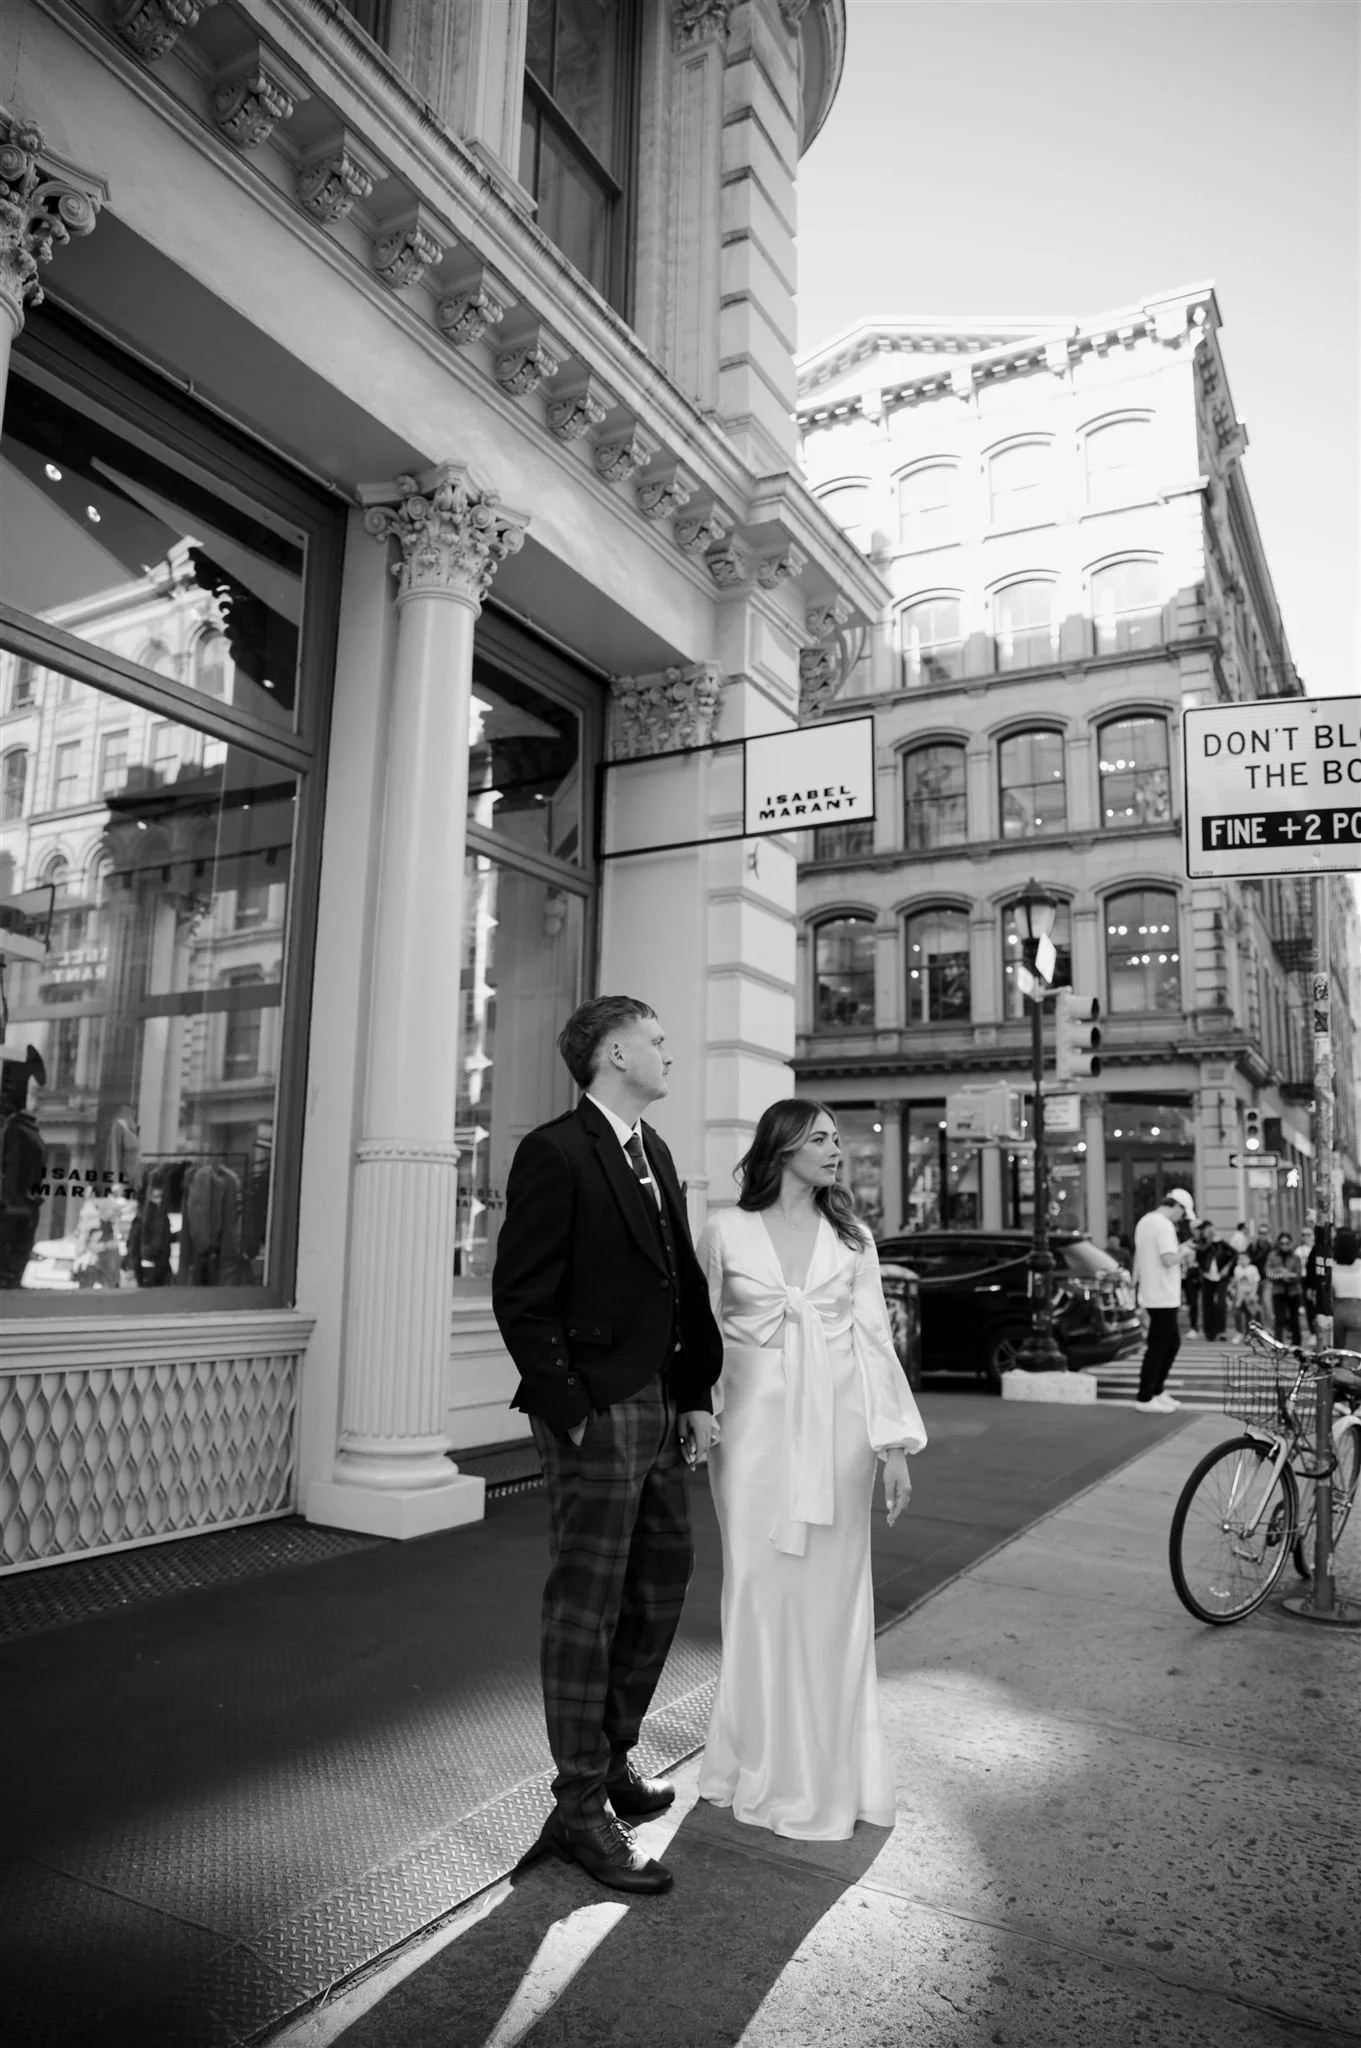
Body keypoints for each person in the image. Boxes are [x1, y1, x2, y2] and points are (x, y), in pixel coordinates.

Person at [493, 996, 724, 1896]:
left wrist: (694, 1395)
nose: (670, 1052)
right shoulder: (554, 1150)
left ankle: (613, 1757)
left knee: (662, 1582)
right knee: (585, 1606)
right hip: (596, 1410)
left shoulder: (652, 1149)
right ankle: (580, 1802)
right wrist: (573, 1406)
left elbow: (681, 1287)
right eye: (658, 1041)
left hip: (662, 1405)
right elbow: (521, 1295)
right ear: (616, 1052)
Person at [695, 1100, 926, 1840]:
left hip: (840, 1433)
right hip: (750, 1436)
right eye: (820, 1138)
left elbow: (873, 1341)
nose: (835, 1149)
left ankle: (832, 1774)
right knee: (756, 1589)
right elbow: (697, 1335)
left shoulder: (851, 1237)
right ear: (782, 1145)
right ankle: (748, 1761)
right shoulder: (724, 1229)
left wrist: (891, 1447)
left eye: (835, 1138)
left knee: (831, 1601)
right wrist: (696, 1412)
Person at [1133, 1187, 1197, 1411]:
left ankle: (1155, 1391)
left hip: (1154, 1292)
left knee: (1165, 1344)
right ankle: (1146, 1396)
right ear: (1177, 1207)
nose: (1181, 1219)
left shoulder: (1145, 1222)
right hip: (1163, 1294)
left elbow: (1144, 1258)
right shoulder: (1163, 1225)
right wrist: (1185, 1253)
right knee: (1162, 1346)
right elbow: (1168, 1259)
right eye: (1182, 1213)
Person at [1266, 1231, 1305, 1346]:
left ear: (1291, 1244)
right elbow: (1268, 1272)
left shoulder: (1295, 1257)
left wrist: (1287, 1275)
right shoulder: (1273, 1256)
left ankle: (1296, 1342)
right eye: (1282, 1243)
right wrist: (1280, 1275)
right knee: (1279, 1318)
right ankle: (1278, 1343)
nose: (1284, 1246)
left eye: (1287, 1243)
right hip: (1278, 1290)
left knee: (1294, 1318)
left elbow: (1298, 1274)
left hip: (1293, 1291)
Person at [1196, 1223, 1233, 1342]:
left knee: (1221, 1304)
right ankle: (1209, 1332)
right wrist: (1210, 1241)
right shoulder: (1202, 1244)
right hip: (1207, 1276)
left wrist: (1227, 1268)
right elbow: (1200, 1254)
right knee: (1207, 1305)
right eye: (1206, 1230)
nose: (1209, 1232)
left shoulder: (1221, 1243)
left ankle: (1221, 1331)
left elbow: (1234, 1254)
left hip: (1221, 1277)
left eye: (1210, 1229)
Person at [1330, 1227, 1361, 1351]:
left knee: (1338, 1352)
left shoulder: (1331, 1266)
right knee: (1355, 1354)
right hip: (1357, 1309)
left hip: (1336, 1310)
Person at [1229, 1247, 1261, 1338]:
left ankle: (1250, 1333)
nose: (1242, 1261)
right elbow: (1237, 1283)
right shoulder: (1237, 1268)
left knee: (1250, 1315)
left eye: (1244, 1258)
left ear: (1249, 1259)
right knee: (1237, 1312)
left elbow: (1255, 1282)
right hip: (1240, 1294)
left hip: (1250, 1294)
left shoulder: (1253, 1268)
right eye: (1240, 1259)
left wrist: (1253, 1294)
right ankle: (1239, 1331)